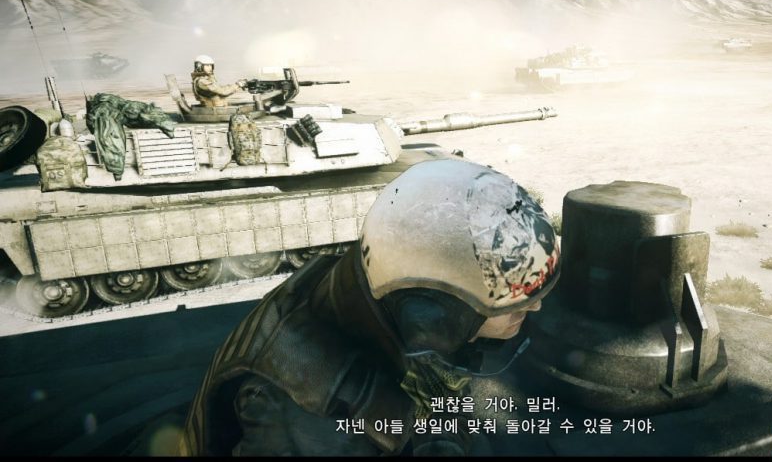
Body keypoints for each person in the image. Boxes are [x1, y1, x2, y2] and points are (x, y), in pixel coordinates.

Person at [180, 158, 561, 456]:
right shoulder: (308, 416)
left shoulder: (381, 301)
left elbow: (435, 398)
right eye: (515, 303)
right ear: (436, 313)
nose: (536, 309)